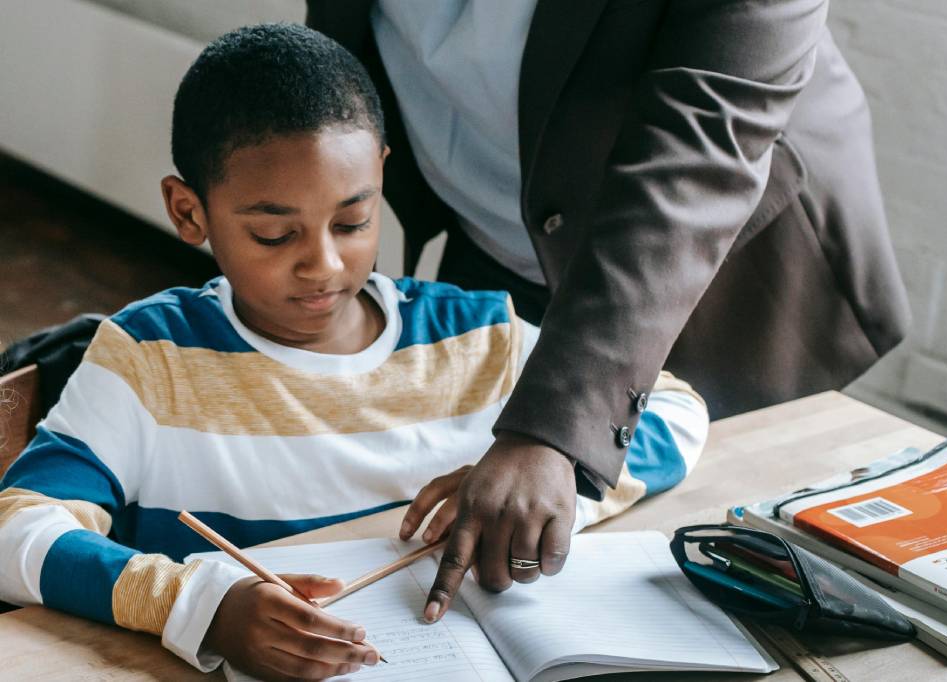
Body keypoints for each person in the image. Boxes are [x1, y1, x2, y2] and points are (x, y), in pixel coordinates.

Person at [0, 24, 709, 681]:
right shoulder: (150, 358)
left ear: (380, 177)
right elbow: (17, 528)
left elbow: (676, 411)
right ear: (190, 211)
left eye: (353, 220)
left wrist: (549, 484)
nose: (325, 265)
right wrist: (197, 604)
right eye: (275, 235)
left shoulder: (475, 334)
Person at [305, 0, 912, 611]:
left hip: (722, 278)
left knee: (728, 565)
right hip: (489, 239)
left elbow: (695, 164)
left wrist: (550, 431)